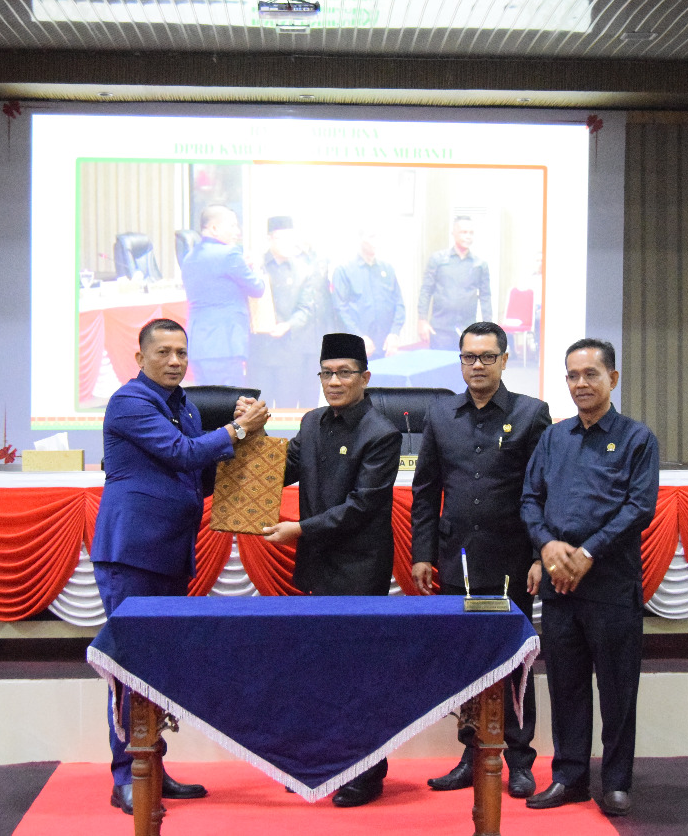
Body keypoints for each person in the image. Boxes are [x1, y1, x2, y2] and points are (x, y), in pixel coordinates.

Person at [91, 317, 270, 815]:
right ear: (140, 357)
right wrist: (238, 429)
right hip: (131, 554)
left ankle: (152, 767)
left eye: (182, 353)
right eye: (164, 352)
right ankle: (126, 777)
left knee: (156, 668)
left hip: (169, 553)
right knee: (129, 667)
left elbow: (200, 474)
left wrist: (249, 450)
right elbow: (181, 453)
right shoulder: (129, 401)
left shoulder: (184, 406)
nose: (175, 361)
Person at [410, 321, 551, 798]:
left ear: (505, 360)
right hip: (458, 563)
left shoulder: (531, 414)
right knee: (466, 662)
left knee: (515, 664)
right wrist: (422, 554)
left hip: (512, 561)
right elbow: (426, 490)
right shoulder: (441, 414)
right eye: (469, 357)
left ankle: (520, 760)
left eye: (487, 357)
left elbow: (543, 490)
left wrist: (539, 555)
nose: (477, 366)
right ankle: (470, 756)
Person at [520, 338, 659, 819]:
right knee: (566, 687)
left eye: (591, 374)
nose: (581, 383)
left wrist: (588, 551)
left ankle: (617, 782)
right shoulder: (553, 438)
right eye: (573, 375)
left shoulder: (637, 438)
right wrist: (547, 545)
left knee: (618, 690)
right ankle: (570, 777)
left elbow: (639, 507)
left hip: (611, 586)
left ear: (612, 379)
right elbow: (530, 499)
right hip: (560, 586)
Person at [264, 332, 402, 808]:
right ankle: (323, 763)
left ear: (365, 377)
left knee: (359, 677)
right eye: (327, 373)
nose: (334, 382)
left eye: (345, 373)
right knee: (319, 672)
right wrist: (246, 436)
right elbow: (280, 470)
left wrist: (299, 529)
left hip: (359, 570)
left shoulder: (381, 433)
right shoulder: (312, 422)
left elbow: (362, 507)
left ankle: (368, 772)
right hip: (318, 566)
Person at [180, 205, 265, 386]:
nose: (237, 231)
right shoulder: (229, 254)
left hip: (198, 344)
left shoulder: (188, 257)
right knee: (229, 400)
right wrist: (255, 267)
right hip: (224, 343)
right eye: (232, 225)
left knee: (206, 399)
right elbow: (257, 288)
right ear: (214, 228)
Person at [248, 215, 325, 408]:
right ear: (270, 239)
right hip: (260, 351)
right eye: (282, 238)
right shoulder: (255, 267)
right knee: (258, 409)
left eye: (291, 239)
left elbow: (306, 308)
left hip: (290, 350)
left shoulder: (303, 270)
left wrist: (288, 325)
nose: (288, 244)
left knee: (287, 408)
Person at [417, 216, 492, 350]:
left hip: (467, 329)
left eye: (471, 233)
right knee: (440, 363)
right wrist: (422, 320)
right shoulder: (438, 260)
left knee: (466, 363)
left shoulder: (480, 265)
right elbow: (426, 291)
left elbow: (485, 296)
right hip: (441, 329)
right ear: (453, 233)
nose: (468, 236)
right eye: (464, 232)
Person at [332, 226, 406, 360]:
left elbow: (399, 303)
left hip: (386, 347)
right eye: (371, 237)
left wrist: (394, 333)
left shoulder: (387, 269)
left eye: (378, 237)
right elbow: (340, 310)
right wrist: (359, 337)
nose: (376, 241)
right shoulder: (344, 270)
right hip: (357, 349)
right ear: (360, 239)